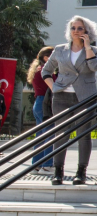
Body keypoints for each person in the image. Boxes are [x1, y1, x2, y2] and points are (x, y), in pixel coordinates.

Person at [42, 16, 97, 186]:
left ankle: (81, 172)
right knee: (61, 134)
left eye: (80, 28)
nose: (76, 31)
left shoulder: (96, 50)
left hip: (85, 97)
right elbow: (46, 71)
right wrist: (54, 87)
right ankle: (58, 171)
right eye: (73, 28)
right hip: (62, 96)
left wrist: (87, 46)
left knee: (84, 134)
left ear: (87, 31)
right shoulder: (60, 49)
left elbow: (94, 67)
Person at [28, 46, 55, 174]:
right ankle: (47, 165)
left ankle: (36, 165)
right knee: (50, 134)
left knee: (40, 136)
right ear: (46, 58)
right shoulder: (45, 71)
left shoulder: (37, 69)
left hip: (39, 102)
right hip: (46, 104)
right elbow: (56, 83)